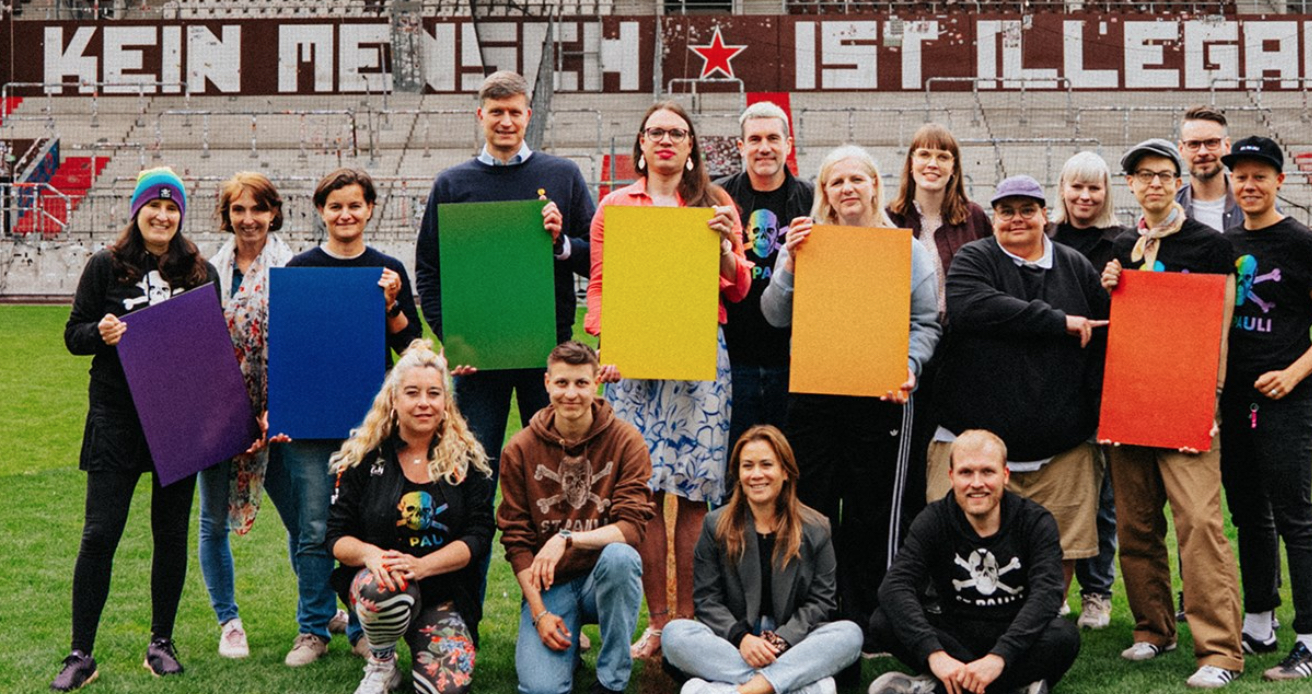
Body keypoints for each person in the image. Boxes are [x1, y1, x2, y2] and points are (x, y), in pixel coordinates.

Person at [585, 100, 753, 659]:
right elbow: (603, 284)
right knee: (646, 494)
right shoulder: (614, 205)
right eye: (655, 131)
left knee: (697, 494)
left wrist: (728, 246)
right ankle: (657, 622)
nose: (665, 141)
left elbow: (738, 287)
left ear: (690, 146)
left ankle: (690, 617)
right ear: (641, 143)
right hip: (635, 360)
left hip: (699, 353)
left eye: (676, 133)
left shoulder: (716, 201)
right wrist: (609, 346)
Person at [759, 145, 941, 639]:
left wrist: (908, 366)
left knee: (873, 512)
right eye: (837, 182)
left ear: (875, 186)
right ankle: (812, 614)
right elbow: (774, 314)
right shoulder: (805, 243)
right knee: (811, 506)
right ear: (824, 192)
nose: (847, 189)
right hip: (815, 394)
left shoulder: (905, 249)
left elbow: (925, 323)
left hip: (879, 397)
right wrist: (791, 265)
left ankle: (872, 617)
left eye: (856, 180)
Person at [54, 167, 219, 690]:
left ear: (181, 215)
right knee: (99, 533)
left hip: (177, 416)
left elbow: (209, 350)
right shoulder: (106, 265)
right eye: (154, 206)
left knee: (169, 534)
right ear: (137, 210)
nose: (163, 215)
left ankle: (161, 642)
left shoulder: (200, 271)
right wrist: (99, 333)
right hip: (117, 416)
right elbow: (73, 335)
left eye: (172, 208)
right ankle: (82, 651)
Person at [414, 69, 593, 528]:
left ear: (528, 115)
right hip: (479, 359)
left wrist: (560, 243)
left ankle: (553, 593)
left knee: (554, 479)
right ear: (481, 115)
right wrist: (454, 337)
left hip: (546, 357)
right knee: (473, 481)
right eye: (497, 112)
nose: (506, 121)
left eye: (514, 112)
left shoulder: (563, 176)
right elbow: (429, 272)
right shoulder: (452, 185)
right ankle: (463, 600)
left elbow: (597, 258)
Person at [1100, 138, 1244, 688]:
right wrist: (1105, 285)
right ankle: (1152, 629)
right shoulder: (1119, 245)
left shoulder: (1209, 245)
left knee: (1201, 525)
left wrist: (1208, 402)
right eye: (1143, 175)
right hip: (1130, 402)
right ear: (1131, 185)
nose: (1154, 183)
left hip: (1186, 406)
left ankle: (1220, 652)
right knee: (1137, 525)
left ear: (1176, 181)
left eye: (1163, 174)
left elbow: (1220, 331)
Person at [929, 175, 1108, 604]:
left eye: (1028, 210)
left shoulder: (1074, 266)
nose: (1017, 219)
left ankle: (1045, 615)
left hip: (1060, 442)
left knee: (1062, 541)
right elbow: (973, 307)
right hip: (973, 436)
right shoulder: (975, 257)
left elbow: (1102, 337)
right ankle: (966, 618)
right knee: (962, 543)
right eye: (1006, 211)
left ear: (1046, 216)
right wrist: (1058, 322)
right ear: (993, 219)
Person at [276, 168, 423, 666]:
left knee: (372, 525)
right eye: (335, 206)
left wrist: (389, 306)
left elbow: (412, 347)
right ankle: (312, 629)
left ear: (369, 210)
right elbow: (288, 350)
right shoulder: (300, 269)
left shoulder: (386, 269)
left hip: (371, 422)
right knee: (315, 528)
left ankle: (366, 628)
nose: (345, 214)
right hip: (311, 423)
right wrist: (286, 408)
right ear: (322, 210)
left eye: (355, 205)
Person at [326, 339, 494, 694]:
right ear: (394, 399)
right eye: (412, 393)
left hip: (443, 593)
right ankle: (382, 663)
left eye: (434, 393)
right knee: (382, 588)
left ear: (446, 402)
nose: (423, 403)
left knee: (447, 689)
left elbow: (480, 536)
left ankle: (430, 644)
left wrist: (423, 566)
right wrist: (373, 557)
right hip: (382, 585)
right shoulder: (364, 457)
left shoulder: (466, 461)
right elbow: (336, 537)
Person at [497, 341, 656, 694]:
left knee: (621, 558)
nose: (571, 394)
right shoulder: (520, 448)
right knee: (542, 689)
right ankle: (563, 649)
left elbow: (632, 528)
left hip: (603, 580)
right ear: (546, 383)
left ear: (597, 381)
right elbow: (516, 540)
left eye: (581, 383)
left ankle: (611, 680)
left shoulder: (626, 440)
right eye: (562, 383)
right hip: (550, 586)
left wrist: (568, 538)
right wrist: (539, 614)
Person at [867, 430, 1079, 694]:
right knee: (882, 621)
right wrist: (936, 655)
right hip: (954, 634)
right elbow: (895, 586)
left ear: (1005, 475)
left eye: (987, 472)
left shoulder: (1035, 521)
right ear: (951, 476)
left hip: (1013, 632)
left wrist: (999, 657)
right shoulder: (934, 519)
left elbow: (1047, 594)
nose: (977, 483)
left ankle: (935, 687)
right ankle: (1015, 687)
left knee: (1063, 636)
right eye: (966, 472)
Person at [663, 425, 864, 694]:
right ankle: (794, 683)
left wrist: (782, 640)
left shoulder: (816, 527)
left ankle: (737, 690)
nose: (756, 474)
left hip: (793, 640)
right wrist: (742, 638)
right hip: (734, 641)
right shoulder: (716, 525)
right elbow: (707, 600)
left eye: (766, 464)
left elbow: (821, 602)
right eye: (748, 466)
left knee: (849, 634)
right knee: (675, 634)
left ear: (785, 471)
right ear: (738, 474)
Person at [1218, 136, 1312, 681]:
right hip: (1235, 400)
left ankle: (1309, 637)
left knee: (1296, 518)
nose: (1248, 185)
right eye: (1240, 177)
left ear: (1280, 181)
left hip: (1287, 401)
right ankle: (1258, 620)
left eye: (1260, 176)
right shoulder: (1224, 243)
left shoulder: (1300, 243)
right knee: (1249, 514)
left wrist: (1294, 372)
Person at [197, 171, 296, 659]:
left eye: (258, 209)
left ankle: (318, 613)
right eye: (239, 209)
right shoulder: (205, 270)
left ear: (274, 212)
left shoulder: (293, 267)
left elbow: (298, 347)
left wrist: (271, 412)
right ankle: (229, 620)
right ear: (227, 216)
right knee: (212, 521)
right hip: (217, 415)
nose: (249, 219)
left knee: (304, 521)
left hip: (277, 417)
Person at [884, 123, 991, 536]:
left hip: (960, 356)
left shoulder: (974, 219)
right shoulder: (889, 218)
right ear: (910, 163)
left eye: (942, 156)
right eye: (924, 154)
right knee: (907, 460)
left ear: (954, 168)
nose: (932, 163)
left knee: (956, 455)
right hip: (905, 352)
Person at [1048, 151, 1127, 631]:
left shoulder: (1121, 242)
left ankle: (1098, 592)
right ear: (1062, 188)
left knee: (1103, 497)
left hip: (1105, 380)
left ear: (1106, 193)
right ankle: (1049, 588)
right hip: (1055, 381)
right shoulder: (1045, 237)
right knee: (1053, 492)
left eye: (1094, 188)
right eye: (1076, 187)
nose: (1084, 196)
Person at [714, 102, 814, 452]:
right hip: (732, 355)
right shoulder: (717, 197)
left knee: (789, 465)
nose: (764, 147)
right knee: (733, 467)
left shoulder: (812, 200)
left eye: (773, 138)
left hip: (794, 359)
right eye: (754, 139)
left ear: (789, 144)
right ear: (741, 147)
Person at [1176, 105, 1239, 233]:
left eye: (1211, 142)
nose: (1203, 152)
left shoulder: (1254, 203)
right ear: (1181, 149)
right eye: (1194, 144)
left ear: (1227, 146)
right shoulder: (1169, 208)